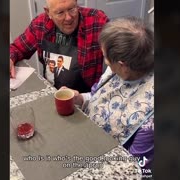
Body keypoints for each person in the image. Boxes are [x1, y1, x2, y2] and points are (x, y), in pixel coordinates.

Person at [65, 17, 154, 169]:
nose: (105, 60)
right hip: (88, 140)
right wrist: (79, 98)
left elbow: (137, 168)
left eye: (105, 57)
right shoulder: (119, 68)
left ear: (123, 65)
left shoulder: (150, 117)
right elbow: (97, 96)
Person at [10, 0, 109, 93]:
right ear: (48, 12)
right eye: (60, 12)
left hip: (86, 98)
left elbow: (119, 49)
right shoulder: (40, 24)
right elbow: (17, 48)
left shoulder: (97, 21)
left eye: (72, 9)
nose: (68, 17)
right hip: (52, 93)